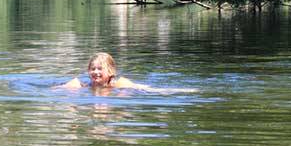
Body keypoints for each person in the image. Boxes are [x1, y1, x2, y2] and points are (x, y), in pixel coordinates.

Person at [58, 52, 196, 93]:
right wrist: (67, 87)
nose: (95, 72)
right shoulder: (83, 86)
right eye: (92, 68)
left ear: (111, 71)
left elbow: (150, 90)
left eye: (100, 68)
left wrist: (178, 90)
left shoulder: (120, 84)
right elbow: (49, 91)